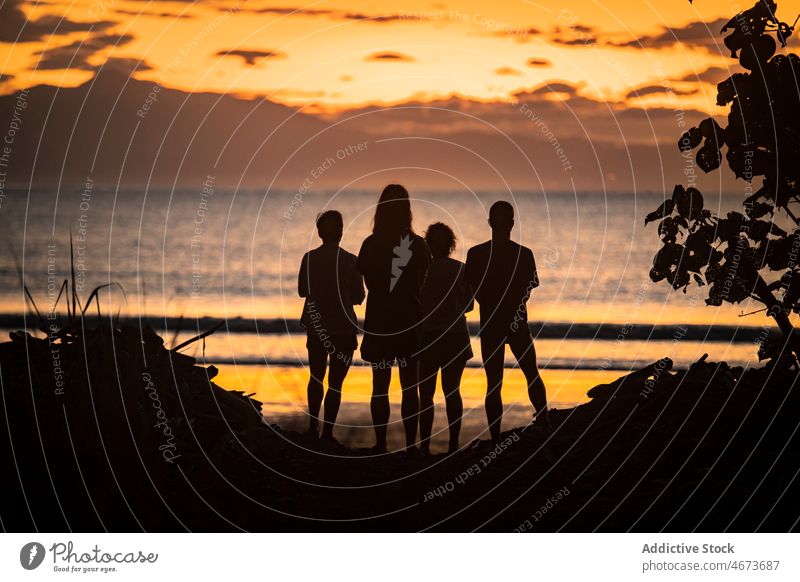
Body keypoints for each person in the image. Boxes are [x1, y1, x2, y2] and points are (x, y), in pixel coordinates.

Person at [465, 201, 548, 443]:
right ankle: (544, 423)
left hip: (493, 323)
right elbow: (529, 289)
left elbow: (473, 290)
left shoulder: (476, 254)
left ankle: (495, 438)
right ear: (512, 224)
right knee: (530, 373)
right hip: (515, 322)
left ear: (490, 222)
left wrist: (492, 303)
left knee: (495, 383)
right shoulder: (523, 253)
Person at [357, 184, 431, 453]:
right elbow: (421, 283)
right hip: (409, 319)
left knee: (380, 385)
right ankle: (411, 445)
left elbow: (368, 284)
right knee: (410, 387)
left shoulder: (370, 243)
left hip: (379, 320)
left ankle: (381, 444)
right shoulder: (419, 244)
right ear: (407, 211)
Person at [298, 210, 365, 440]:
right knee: (336, 384)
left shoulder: (309, 258)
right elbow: (358, 297)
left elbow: (302, 291)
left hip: (318, 326)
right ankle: (327, 433)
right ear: (341, 232)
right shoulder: (351, 260)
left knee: (316, 377)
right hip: (344, 327)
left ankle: (312, 427)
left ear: (319, 233)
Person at [418, 222, 473, 455]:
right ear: (451, 245)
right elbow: (469, 305)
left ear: (427, 244)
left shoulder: (422, 271)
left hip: (428, 336)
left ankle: (424, 446)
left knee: (426, 395)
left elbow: (415, 305)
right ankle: (453, 443)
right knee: (453, 391)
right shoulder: (461, 269)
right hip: (455, 336)